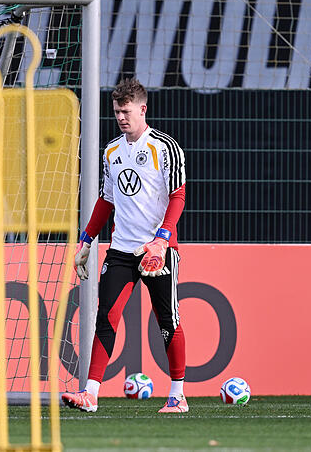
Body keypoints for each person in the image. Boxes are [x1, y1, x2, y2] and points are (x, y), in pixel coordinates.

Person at [62, 77, 188, 413]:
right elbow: (106, 200)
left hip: (156, 251)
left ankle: (177, 395)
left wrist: (161, 242)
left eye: (127, 110)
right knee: (107, 317)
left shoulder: (164, 147)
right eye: (117, 111)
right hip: (120, 250)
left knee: (167, 319)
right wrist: (86, 240)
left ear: (142, 109)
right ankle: (90, 394)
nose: (121, 117)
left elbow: (178, 196)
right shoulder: (112, 151)